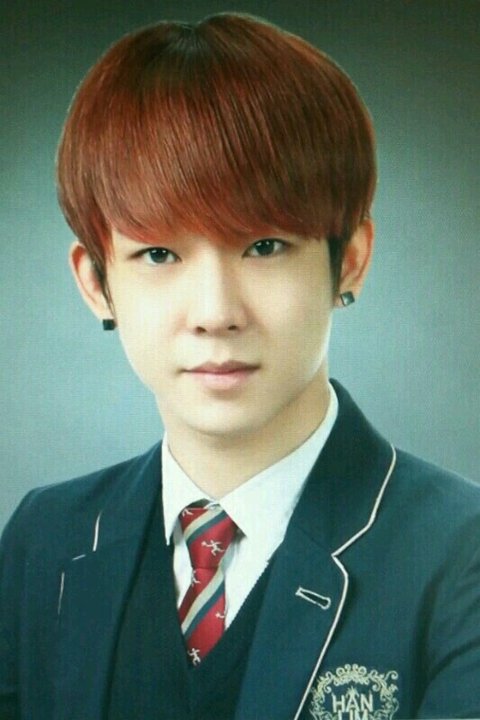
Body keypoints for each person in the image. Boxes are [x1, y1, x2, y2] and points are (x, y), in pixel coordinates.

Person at [1, 12, 479, 720]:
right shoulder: (45, 540)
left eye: (264, 246)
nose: (215, 312)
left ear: (349, 260)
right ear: (96, 283)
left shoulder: (461, 554)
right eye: (159, 254)